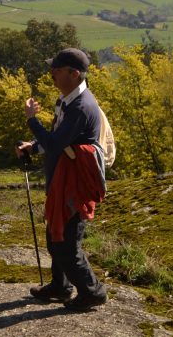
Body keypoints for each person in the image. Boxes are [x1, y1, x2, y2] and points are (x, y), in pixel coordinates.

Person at [16, 47, 108, 312]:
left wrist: (32, 122)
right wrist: (33, 146)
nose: (51, 74)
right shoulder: (67, 100)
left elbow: (56, 143)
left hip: (73, 186)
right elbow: (58, 139)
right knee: (56, 236)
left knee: (67, 244)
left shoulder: (81, 106)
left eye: (56, 70)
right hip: (62, 181)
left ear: (74, 74)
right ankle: (61, 286)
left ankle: (93, 292)